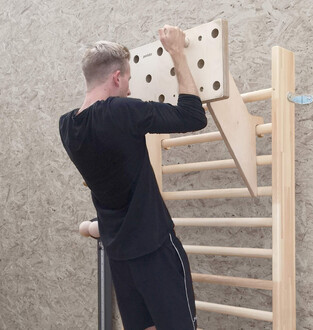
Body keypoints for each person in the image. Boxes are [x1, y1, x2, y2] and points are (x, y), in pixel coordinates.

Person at [59, 25, 207, 330]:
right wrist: (177, 52)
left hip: (120, 257)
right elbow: (194, 116)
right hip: (155, 251)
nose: (129, 89)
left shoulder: (67, 127)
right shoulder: (120, 112)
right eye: (128, 79)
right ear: (116, 77)